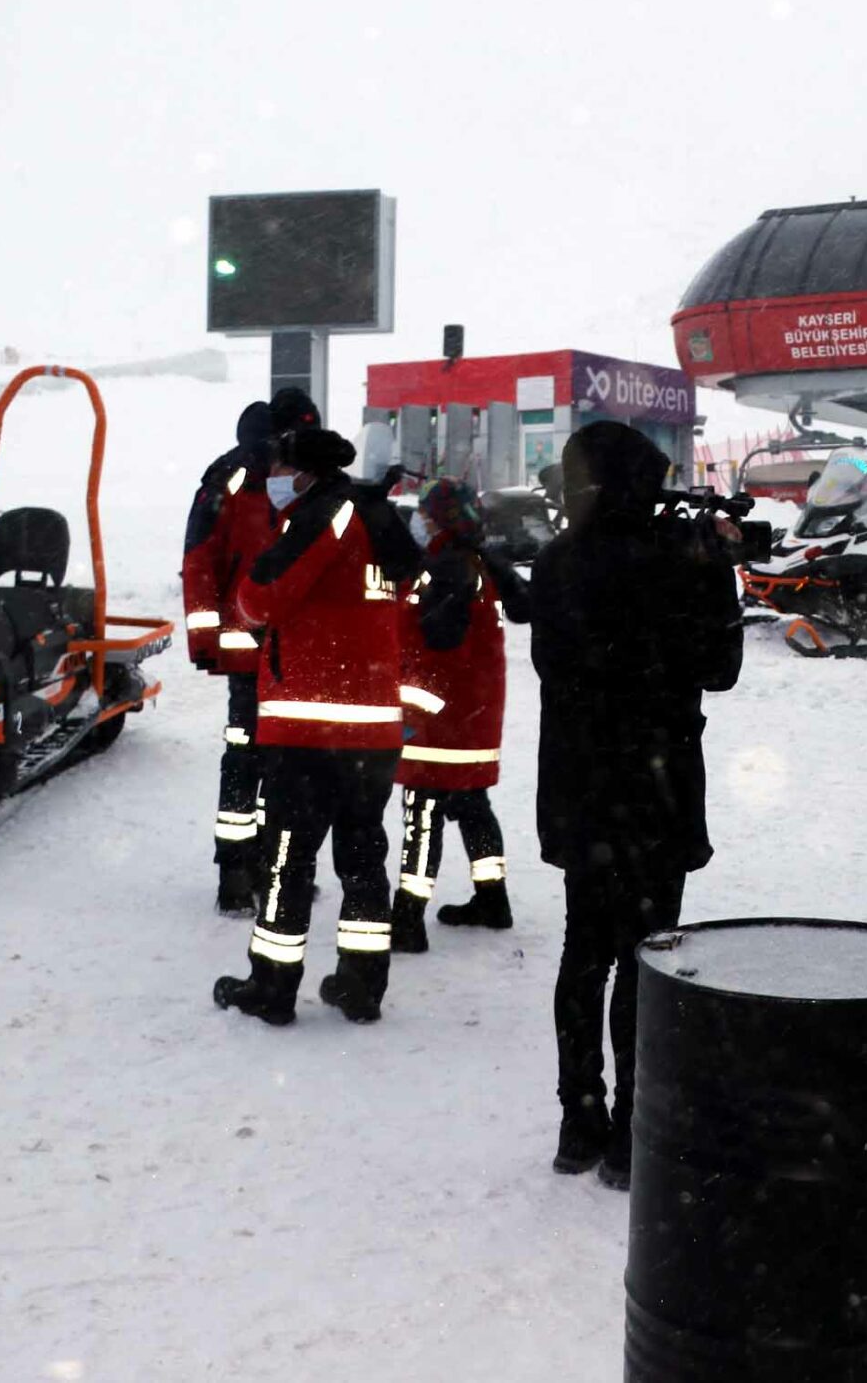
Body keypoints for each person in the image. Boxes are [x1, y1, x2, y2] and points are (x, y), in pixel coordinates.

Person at [532, 422, 743, 1187]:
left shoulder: (557, 561)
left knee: (582, 954)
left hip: (580, 790)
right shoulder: (681, 561)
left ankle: (576, 1119)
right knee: (646, 956)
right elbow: (719, 668)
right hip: (655, 792)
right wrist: (716, 572)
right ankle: (631, 1133)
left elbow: (557, 662)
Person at [212, 423, 423, 1027]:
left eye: (279, 470)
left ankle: (272, 988)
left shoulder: (323, 516)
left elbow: (261, 597)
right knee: (362, 859)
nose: (273, 480)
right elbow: (409, 597)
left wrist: (250, 609)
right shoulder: (379, 522)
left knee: (286, 859)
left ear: (302, 472)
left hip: (309, 729)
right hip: (374, 731)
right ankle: (361, 986)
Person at [181, 392, 317, 912]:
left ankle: (256, 867)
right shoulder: (234, 483)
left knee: (267, 760)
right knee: (255, 758)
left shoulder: (284, 481)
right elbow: (201, 559)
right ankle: (241, 871)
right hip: (258, 650)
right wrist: (206, 640)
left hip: (281, 650)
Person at [389, 479, 532, 954]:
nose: (421, 522)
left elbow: (438, 639)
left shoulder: (445, 569)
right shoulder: (483, 561)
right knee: (473, 805)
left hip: (438, 719)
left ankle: (408, 916)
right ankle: (493, 899)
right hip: (476, 714)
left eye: (428, 515)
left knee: (423, 812)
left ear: (442, 520)